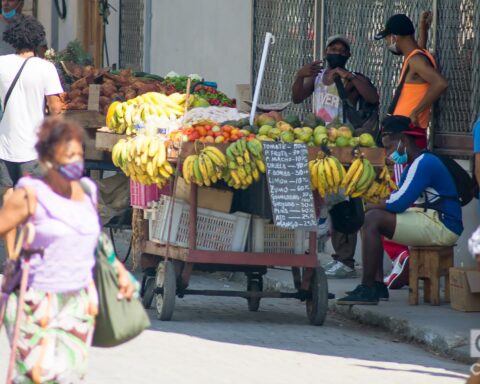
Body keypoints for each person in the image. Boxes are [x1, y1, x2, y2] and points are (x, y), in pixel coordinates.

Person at [2, 117, 135, 382]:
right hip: (36, 303)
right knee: (34, 376)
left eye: (78, 155)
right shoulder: (29, 194)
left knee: (69, 375)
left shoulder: (87, 191)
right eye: (67, 155)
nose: (74, 161)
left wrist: (119, 270)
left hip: (78, 303)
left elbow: (95, 239)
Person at [337, 115, 463, 305]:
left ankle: (368, 287)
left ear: (403, 141)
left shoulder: (424, 163)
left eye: (389, 147)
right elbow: (394, 198)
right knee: (372, 218)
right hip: (432, 219)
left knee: (373, 219)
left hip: (443, 225)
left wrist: (368, 206)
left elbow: (398, 203)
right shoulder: (414, 163)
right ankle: (377, 285)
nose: (387, 153)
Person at [292, 35, 379, 279]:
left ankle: (345, 260)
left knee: (343, 201)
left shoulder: (351, 79)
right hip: (319, 143)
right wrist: (301, 75)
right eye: (333, 48)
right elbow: (298, 97)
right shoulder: (317, 77)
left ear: (348, 56)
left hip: (344, 145)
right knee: (321, 198)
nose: (336, 52)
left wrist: (348, 76)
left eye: (342, 50)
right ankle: (318, 251)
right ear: (326, 50)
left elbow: (372, 98)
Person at [374, 13, 448, 289]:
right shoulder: (418, 56)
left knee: (394, 197)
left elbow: (439, 83)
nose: (389, 43)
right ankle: (401, 256)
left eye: (390, 38)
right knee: (405, 194)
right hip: (408, 135)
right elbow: (422, 65)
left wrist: (417, 110)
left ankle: (401, 255)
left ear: (396, 37)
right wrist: (424, 31)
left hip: (407, 136)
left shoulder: (416, 59)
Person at [0, 16, 63, 260]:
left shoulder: (2, 64)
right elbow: (56, 108)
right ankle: (30, 255)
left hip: (4, 145)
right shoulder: (45, 68)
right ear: (37, 40)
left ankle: (11, 256)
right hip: (33, 148)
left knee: (9, 200)